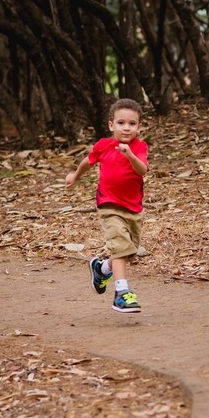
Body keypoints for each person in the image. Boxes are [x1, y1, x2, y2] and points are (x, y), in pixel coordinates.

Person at [64, 98, 150, 314]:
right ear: (111, 125)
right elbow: (88, 161)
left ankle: (101, 269)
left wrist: (130, 155)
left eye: (132, 124)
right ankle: (121, 293)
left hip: (133, 208)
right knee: (121, 245)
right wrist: (75, 176)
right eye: (121, 123)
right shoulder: (103, 145)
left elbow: (142, 170)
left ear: (139, 127)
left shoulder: (139, 147)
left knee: (127, 251)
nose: (126, 128)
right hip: (109, 204)